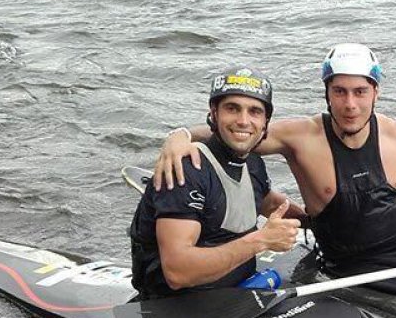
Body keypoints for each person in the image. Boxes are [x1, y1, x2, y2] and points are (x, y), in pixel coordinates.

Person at [150, 44, 396, 266]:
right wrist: (180, 136)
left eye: (359, 92)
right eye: (340, 92)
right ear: (327, 93)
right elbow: (236, 133)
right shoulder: (299, 136)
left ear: (376, 93)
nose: (350, 104)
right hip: (343, 265)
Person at [129, 66, 305, 299]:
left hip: (235, 289)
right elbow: (177, 272)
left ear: (266, 122)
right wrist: (261, 240)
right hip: (175, 303)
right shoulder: (186, 170)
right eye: (232, 109)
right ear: (214, 113)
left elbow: (269, 202)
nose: (243, 121)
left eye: (254, 111)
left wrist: (315, 222)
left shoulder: (253, 162)